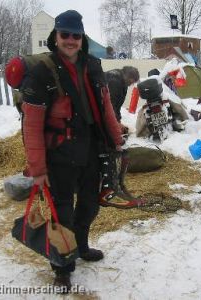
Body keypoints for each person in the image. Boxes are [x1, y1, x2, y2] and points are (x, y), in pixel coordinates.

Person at [20, 10, 123, 291]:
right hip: (60, 155)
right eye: (65, 34)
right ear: (56, 36)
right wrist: (38, 170)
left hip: (91, 149)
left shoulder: (92, 65)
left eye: (76, 36)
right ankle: (62, 266)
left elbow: (105, 106)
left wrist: (116, 140)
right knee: (61, 213)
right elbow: (31, 125)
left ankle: (81, 246)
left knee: (89, 205)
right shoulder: (43, 71)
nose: (70, 40)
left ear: (82, 39)